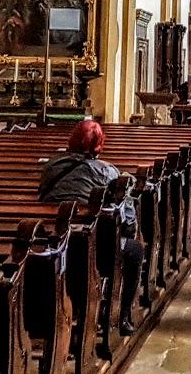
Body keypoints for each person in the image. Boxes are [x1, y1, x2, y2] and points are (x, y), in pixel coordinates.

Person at [38, 120, 144, 334]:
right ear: (99, 144)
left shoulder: (50, 166)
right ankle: (122, 317)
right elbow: (128, 219)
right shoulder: (107, 172)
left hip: (51, 241)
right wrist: (128, 229)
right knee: (135, 251)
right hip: (94, 248)